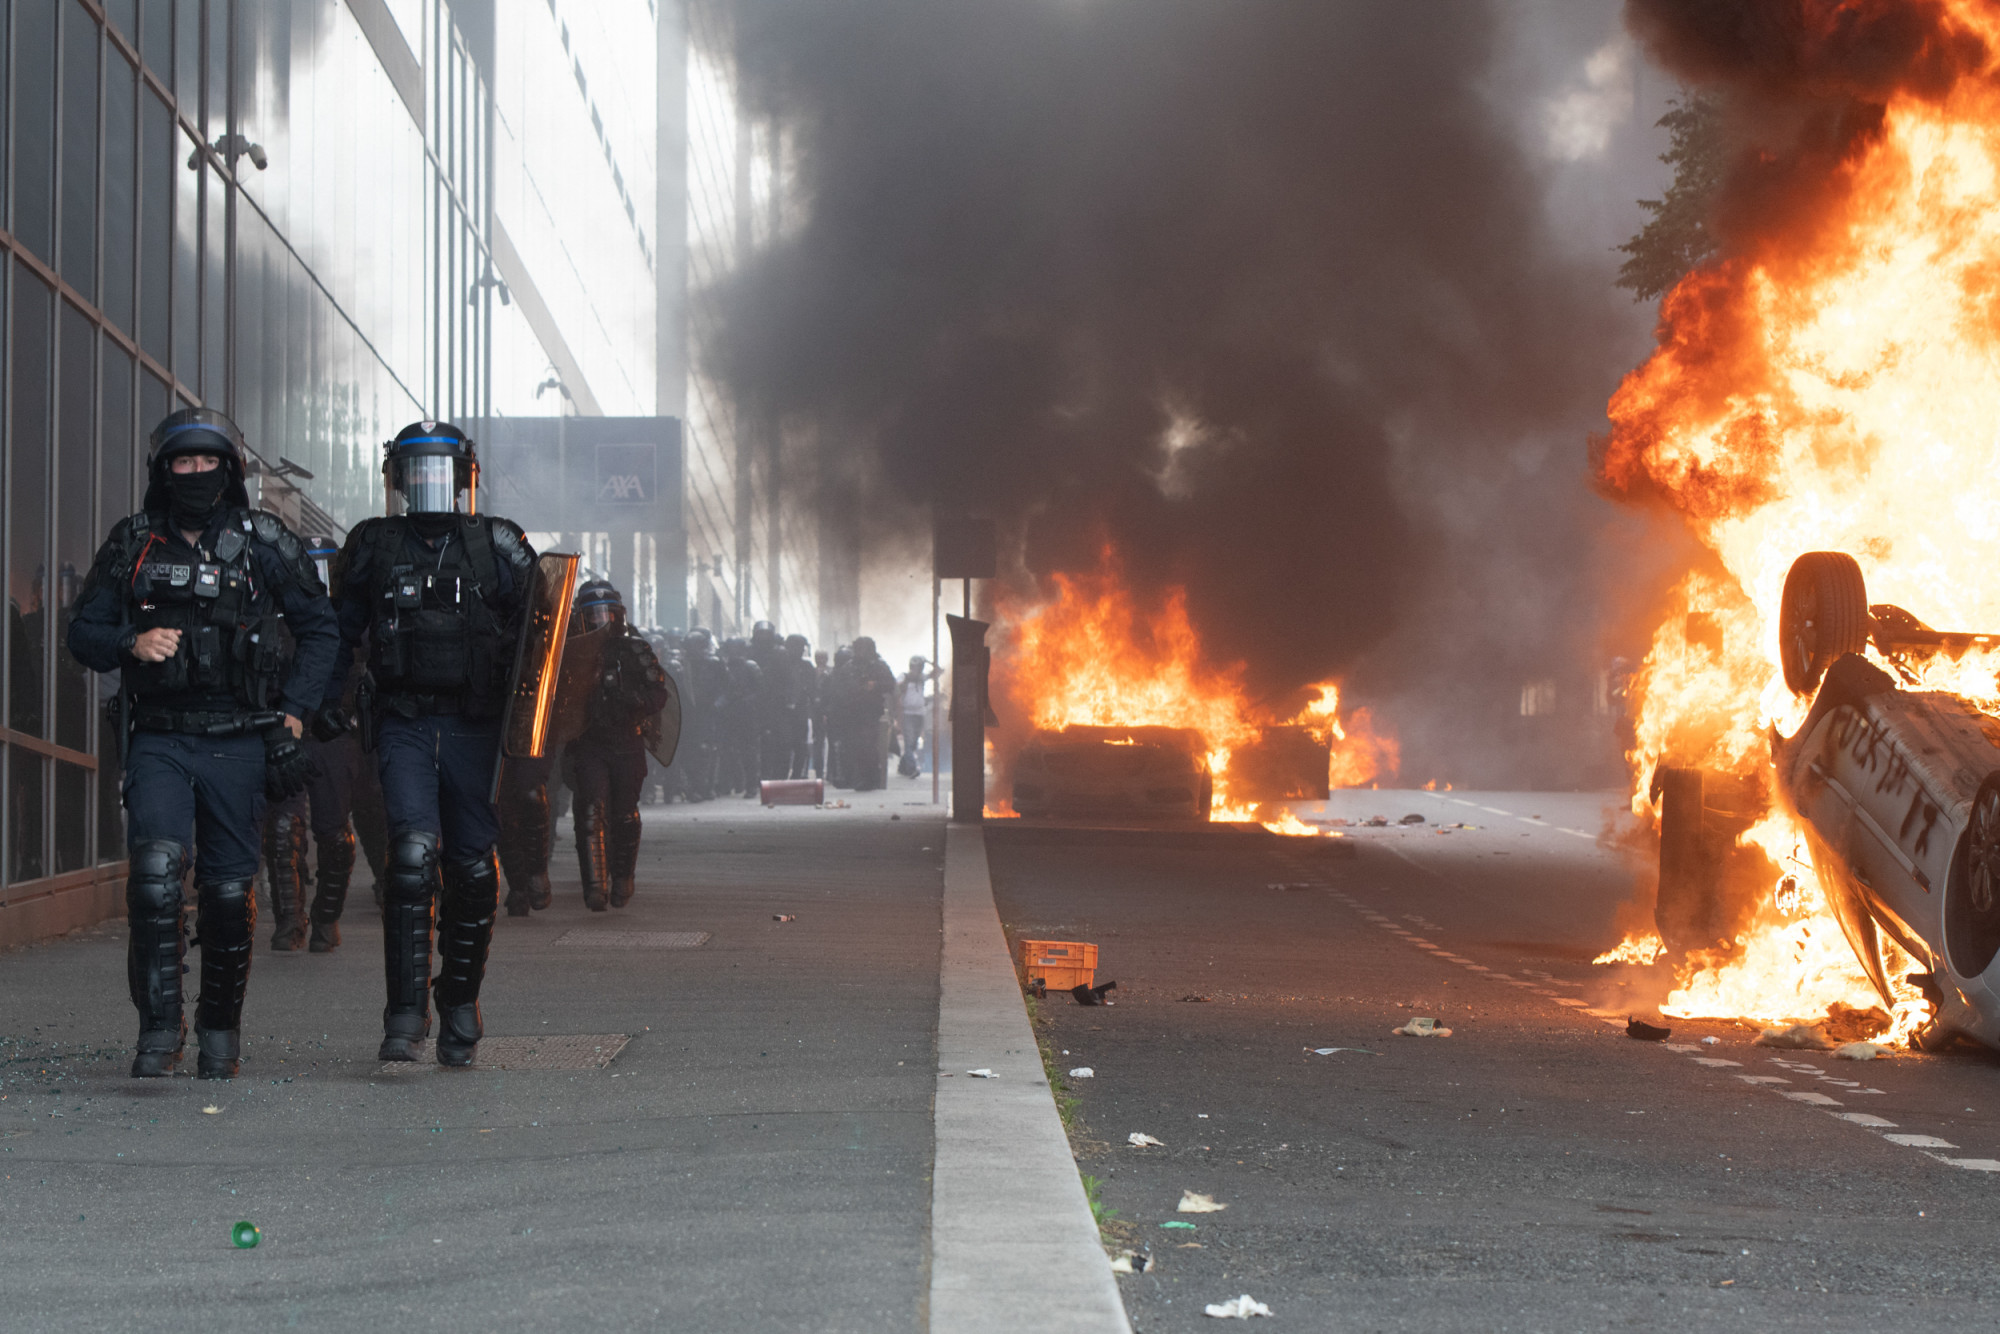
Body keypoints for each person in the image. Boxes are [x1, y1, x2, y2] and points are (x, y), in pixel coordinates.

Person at [66, 408, 337, 1079]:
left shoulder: (266, 541)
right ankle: (160, 1028)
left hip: (239, 740)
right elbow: (83, 632)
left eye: (206, 461)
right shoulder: (133, 543)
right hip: (159, 737)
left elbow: (322, 629)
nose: (194, 473)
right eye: (182, 462)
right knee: (156, 875)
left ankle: (220, 1029)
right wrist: (129, 641)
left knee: (225, 892)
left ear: (229, 470)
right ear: (164, 470)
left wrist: (296, 712)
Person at [326, 421, 535, 1067]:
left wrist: (534, 730)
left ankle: (461, 1002)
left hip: (475, 725)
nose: (428, 487)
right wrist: (317, 707)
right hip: (405, 721)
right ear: (397, 480)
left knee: (472, 871)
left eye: (441, 473)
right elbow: (338, 633)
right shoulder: (372, 545)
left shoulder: (498, 545)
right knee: (412, 857)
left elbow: (546, 631)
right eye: (416, 474)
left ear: (465, 479)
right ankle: (406, 1013)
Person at [563, 581, 672, 909]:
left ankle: (623, 877)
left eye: (606, 612)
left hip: (626, 741)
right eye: (592, 614)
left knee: (625, 814)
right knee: (591, 810)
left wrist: (634, 701)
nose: (599, 620)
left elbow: (659, 693)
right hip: (588, 742)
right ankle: (595, 886)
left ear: (618, 614)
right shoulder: (569, 650)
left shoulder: (635, 649)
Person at [836, 637, 898, 791]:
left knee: (868, 745)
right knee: (853, 746)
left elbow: (890, 684)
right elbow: (839, 688)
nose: (860, 652)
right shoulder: (849, 667)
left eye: (863, 648)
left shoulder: (879, 666)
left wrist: (875, 685)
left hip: (870, 712)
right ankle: (855, 777)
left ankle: (871, 778)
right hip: (851, 712)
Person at [897, 656, 941, 779]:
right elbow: (897, 686)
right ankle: (912, 769)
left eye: (921, 667)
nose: (919, 670)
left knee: (913, 744)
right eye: (917, 667)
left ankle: (903, 766)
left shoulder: (922, 678)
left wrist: (929, 662)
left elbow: (939, 671)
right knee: (909, 742)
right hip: (907, 714)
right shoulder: (904, 676)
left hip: (919, 714)